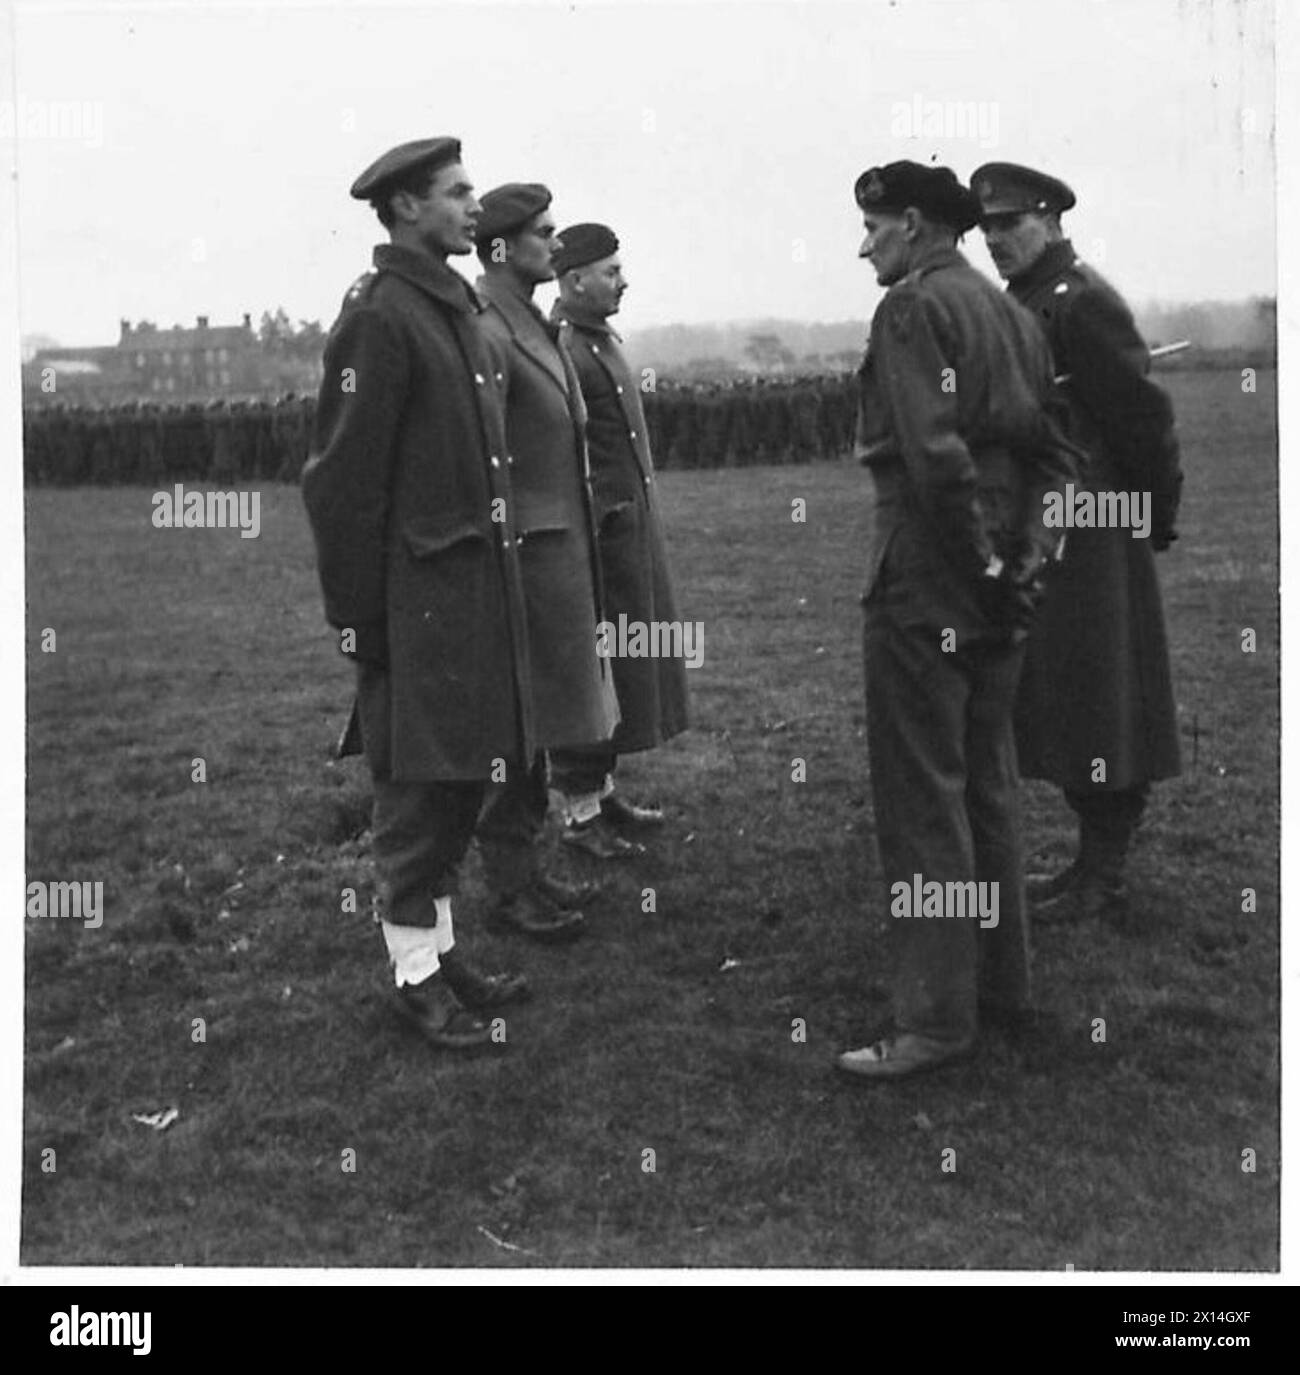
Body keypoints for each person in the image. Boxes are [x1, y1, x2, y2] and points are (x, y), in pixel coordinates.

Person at [837, 161, 1079, 1080]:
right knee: (988, 783)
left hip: (927, 581)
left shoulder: (909, 310)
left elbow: (933, 461)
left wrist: (978, 563)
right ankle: (1001, 986)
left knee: (923, 799)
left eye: (871, 228)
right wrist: (1024, 561)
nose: (865, 245)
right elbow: (1056, 452)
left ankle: (937, 1019)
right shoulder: (1015, 313)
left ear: (911, 224)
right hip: (1002, 584)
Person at [301, 137, 533, 1051]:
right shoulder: (381, 317)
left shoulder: (450, 304)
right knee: (414, 794)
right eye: (455, 192)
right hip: (414, 605)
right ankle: (411, 976)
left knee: (462, 779)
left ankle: (437, 953)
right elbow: (340, 484)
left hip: (471, 593)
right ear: (404, 208)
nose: (473, 206)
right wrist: (361, 620)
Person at [971, 162, 1183, 921]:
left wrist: (1153, 514)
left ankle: (1104, 872)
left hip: (1093, 531)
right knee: (1067, 695)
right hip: (1047, 527)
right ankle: (1089, 863)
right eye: (988, 228)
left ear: (1053, 221)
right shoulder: (1023, 302)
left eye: (1012, 224)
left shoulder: (1081, 302)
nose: (997, 239)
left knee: (1100, 696)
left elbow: (1143, 419)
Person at [473, 183, 620, 939]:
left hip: (557, 552)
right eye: (542, 233)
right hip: (523, 559)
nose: (555, 245)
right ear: (501, 247)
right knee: (513, 729)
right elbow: (480, 456)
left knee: (541, 723)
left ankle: (526, 870)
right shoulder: (488, 326)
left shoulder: (528, 319)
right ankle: (508, 884)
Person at [548, 224, 690, 859]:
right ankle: (577, 813)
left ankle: (603, 793)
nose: (623, 280)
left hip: (626, 539)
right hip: (599, 543)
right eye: (610, 271)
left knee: (624, 673)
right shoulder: (566, 349)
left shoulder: (599, 343)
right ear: (575, 279)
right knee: (592, 671)